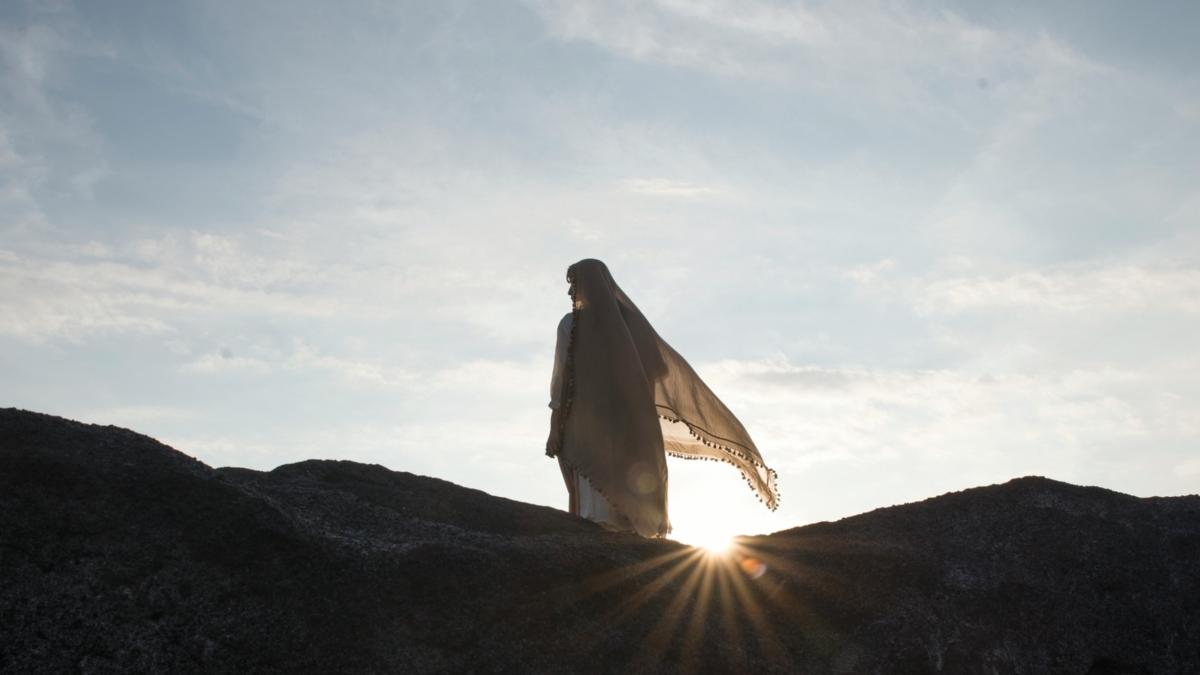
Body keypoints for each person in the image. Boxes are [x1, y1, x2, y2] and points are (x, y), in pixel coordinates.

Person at [545, 258, 779, 538]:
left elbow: (562, 382)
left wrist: (559, 422)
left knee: (601, 509)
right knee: (622, 494)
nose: (571, 293)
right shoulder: (626, 322)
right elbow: (657, 369)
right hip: (621, 426)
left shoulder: (573, 324)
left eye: (574, 285)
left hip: (593, 427)